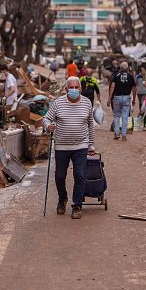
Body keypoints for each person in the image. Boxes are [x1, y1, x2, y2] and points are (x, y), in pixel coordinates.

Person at [43, 76, 96, 219]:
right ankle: (62, 198)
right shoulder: (58, 103)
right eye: (71, 87)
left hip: (81, 145)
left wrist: (91, 144)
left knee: (80, 175)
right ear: (66, 89)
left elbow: (90, 124)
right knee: (59, 176)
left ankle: (77, 205)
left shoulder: (87, 103)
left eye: (76, 87)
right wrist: (48, 126)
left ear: (80, 89)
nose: (74, 90)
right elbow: (46, 118)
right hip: (61, 146)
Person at [108, 62, 136, 141]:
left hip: (117, 97)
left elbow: (112, 86)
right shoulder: (130, 76)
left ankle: (117, 133)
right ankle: (124, 135)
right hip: (127, 98)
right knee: (125, 116)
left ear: (120, 68)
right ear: (127, 68)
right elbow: (134, 88)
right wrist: (134, 99)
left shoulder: (116, 75)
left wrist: (109, 98)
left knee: (116, 116)